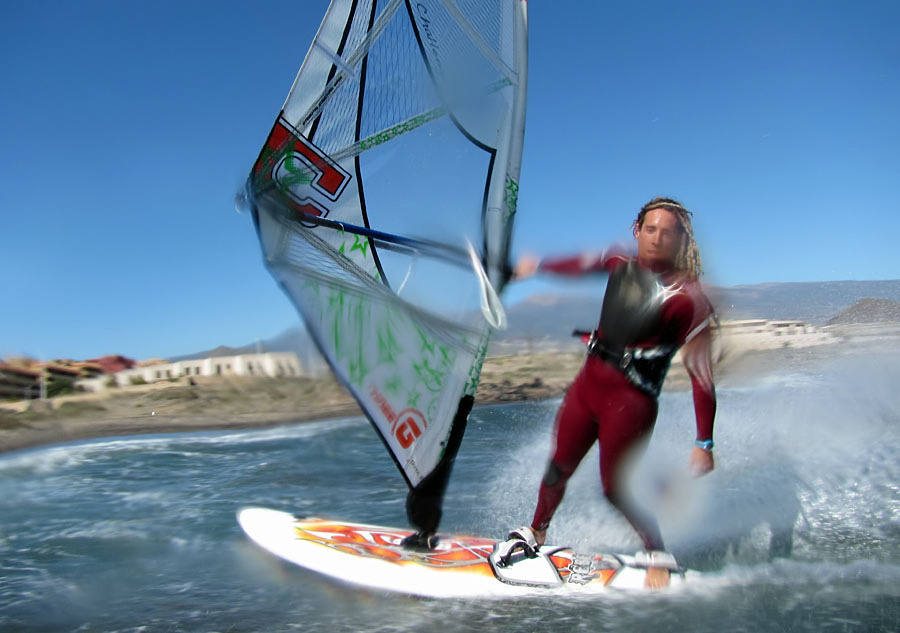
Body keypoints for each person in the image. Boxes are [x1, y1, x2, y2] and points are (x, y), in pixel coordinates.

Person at [503, 197, 717, 590]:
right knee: (557, 468)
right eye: (650, 229)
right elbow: (582, 264)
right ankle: (537, 531)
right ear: (637, 231)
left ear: (680, 239)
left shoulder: (689, 298)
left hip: (631, 404)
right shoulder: (620, 264)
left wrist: (704, 441)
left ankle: (658, 553)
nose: (656, 239)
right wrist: (535, 267)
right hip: (587, 390)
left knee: (615, 489)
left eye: (667, 233)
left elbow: (701, 374)